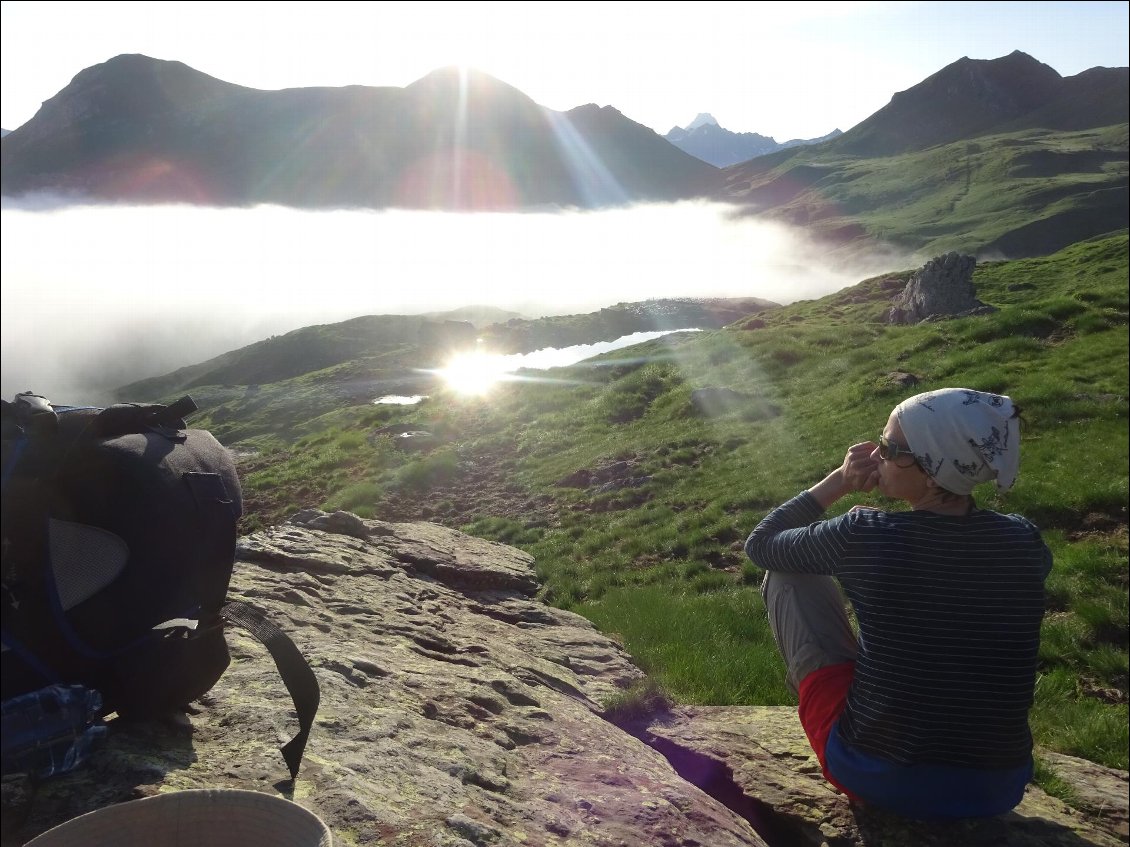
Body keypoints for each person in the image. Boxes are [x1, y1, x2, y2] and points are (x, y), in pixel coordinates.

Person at [744, 387, 1052, 819]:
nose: (876, 454)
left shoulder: (864, 534)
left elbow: (760, 545)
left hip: (876, 775)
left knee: (786, 573)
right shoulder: (1024, 540)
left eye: (889, 448)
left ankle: (836, 710)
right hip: (998, 787)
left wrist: (840, 481)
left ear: (931, 470)